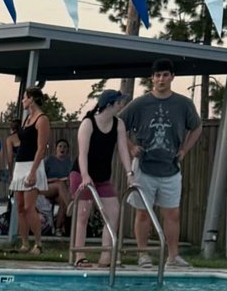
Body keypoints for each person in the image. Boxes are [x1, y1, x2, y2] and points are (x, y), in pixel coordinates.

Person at [119, 59, 202, 268]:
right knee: (143, 212)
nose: (161, 79)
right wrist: (130, 146)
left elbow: (197, 127)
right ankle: (143, 254)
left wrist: (185, 149)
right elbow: (118, 125)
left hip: (171, 166)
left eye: (165, 75)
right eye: (157, 75)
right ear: (152, 78)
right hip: (145, 166)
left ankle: (173, 256)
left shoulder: (183, 104)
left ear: (172, 77)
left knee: (172, 213)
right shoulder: (140, 103)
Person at [71, 89, 126, 268]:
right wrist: (85, 175)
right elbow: (83, 153)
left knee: (113, 213)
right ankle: (79, 255)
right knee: (83, 214)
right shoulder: (88, 123)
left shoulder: (118, 124)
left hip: (102, 178)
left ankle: (106, 257)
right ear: (109, 104)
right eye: (119, 102)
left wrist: (130, 174)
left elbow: (124, 151)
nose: (122, 105)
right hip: (81, 174)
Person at [9, 85, 52, 254]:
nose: (22, 100)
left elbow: (41, 148)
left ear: (31, 99)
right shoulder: (27, 119)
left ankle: (38, 244)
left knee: (29, 206)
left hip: (32, 164)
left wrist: (33, 171)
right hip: (20, 164)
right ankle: (25, 243)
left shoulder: (41, 119)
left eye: (25, 97)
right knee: (19, 206)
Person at [44, 138, 74, 234]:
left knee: (63, 200)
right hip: (47, 187)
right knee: (60, 185)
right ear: (56, 149)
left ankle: (58, 228)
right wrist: (55, 180)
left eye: (65, 147)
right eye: (60, 146)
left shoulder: (69, 163)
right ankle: (72, 209)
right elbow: (40, 178)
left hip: (61, 191)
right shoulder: (49, 160)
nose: (62, 149)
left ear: (67, 150)